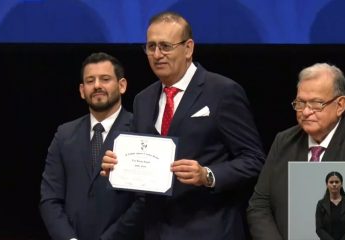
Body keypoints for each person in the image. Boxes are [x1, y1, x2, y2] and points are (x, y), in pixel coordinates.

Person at [101, 11, 266, 240]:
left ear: (188, 48)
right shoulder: (143, 99)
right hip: (157, 230)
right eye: (151, 47)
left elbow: (254, 160)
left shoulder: (222, 92)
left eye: (166, 46)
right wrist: (117, 169)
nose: (157, 54)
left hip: (210, 230)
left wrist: (207, 175)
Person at [247, 63, 345, 240]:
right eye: (300, 103)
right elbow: (259, 205)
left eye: (316, 104)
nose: (305, 111)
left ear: (340, 105)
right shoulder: (284, 141)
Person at [39, 52, 142, 240]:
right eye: (90, 80)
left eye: (105, 79)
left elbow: (144, 201)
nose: (97, 86)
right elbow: (50, 198)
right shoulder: (64, 135)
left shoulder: (140, 131)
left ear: (122, 85)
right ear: (81, 90)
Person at [316, 171, 345, 240]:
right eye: (331, 182)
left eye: (337, 182)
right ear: (327, 184)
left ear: (341, 184)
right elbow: (319, 229)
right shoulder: (321, 204)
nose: (334, 184)